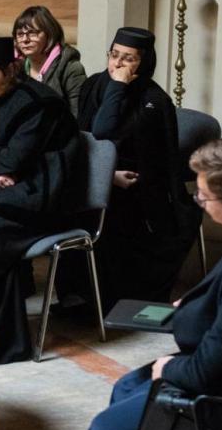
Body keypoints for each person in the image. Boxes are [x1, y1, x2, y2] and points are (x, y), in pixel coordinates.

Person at [85, 136, 222, 430]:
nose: (199, 200)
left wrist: (170, 366)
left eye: (204, 196)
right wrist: (198, 302)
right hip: (216, 371)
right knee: (128, 386)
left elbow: (210, 370)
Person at [0, 37, 82, 366]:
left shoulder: (39, 104)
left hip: (41, 199)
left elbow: (11, 162)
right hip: (0, 191)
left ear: (11, 69)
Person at [73, 27, 201, 311]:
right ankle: (83, 296)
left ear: (143, 63)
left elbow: (110, 133)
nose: (117, 64)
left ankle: (116, 302)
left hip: (137, 185)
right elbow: (87, 137)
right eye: (114, 55)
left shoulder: (153, 101)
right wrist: (105, 177)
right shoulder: (94, 85)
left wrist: (118, 88)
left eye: (127, 59)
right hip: (94, 175)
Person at [12, 5, 86, 117]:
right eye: (20, 34)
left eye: (32, 33)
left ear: (50, 34)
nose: (25, 40)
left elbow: (78, 114)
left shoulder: (70, 68)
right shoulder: (14, 68)